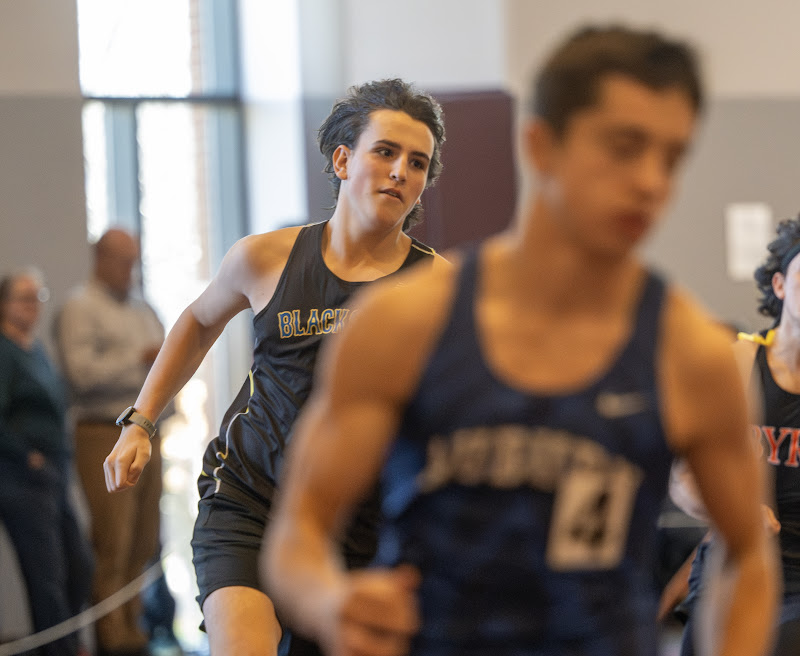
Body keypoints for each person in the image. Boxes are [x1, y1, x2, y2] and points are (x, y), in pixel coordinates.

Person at [263, 24, 778, 656]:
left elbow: (748, 553)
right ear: (542, 146)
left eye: (671, 158)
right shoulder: (405, 325)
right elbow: (298, 531)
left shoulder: (692, 354)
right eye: (624, 147)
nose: (651, 181)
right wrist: (329, 600)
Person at [103, 78, 448, 656]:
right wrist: (140, 421)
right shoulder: (265, 258)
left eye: (417, 163)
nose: (399, 172)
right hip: (250, 499)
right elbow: (197, 321)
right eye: (384, 152)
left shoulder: (437, 286)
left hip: (359, 520)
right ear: (343, 159)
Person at [667, 215, 800, 655]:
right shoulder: (738, 361)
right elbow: (684, 480)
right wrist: (736, 510)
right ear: (780, 286)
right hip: (735, 563)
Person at [56, 228, 174, 656]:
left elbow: (166, 364)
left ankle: (134, 630)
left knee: (145, 539)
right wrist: (139, 360)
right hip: (104, 433)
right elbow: (81, 373)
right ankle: (112, 640)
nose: (131, 269)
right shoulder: (79, 307)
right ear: (100, 258)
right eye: (124, 260)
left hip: (146, 431)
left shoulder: (142, 308)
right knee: (113, 540)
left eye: (135, 260)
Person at [0, 268, 93, 656]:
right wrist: (28, 455)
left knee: (79, 564)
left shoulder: (34, 348)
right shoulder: (4, 353)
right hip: (22, 477)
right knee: (46, 576)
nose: (32, 305)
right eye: (24, 297)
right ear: (4, 304)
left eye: (37, 297)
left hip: (53, 474)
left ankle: (67, 645)